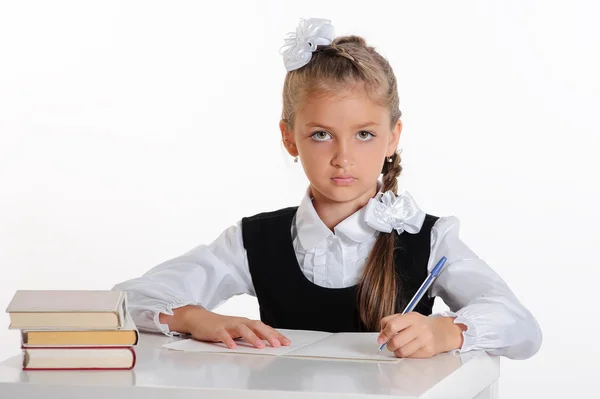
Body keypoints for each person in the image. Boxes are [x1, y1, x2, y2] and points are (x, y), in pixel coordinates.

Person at [113, 18, 542, 360]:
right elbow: (126, 299)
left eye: (364, 134)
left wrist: (447, 330)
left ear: (393, 137)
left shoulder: (430, 237)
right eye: (321, 134)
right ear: (289, 138)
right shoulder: (253, 241)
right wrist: (194, 317)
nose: (343, 157)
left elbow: (522, 329)